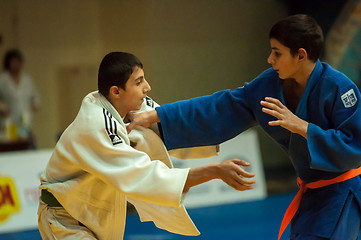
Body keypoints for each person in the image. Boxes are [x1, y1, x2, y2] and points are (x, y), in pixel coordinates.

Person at [126, 14, 361, 240]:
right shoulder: (268, 85)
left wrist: (304, 127)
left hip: (342, 194)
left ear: (300, 55)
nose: (270, 59)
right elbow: (218, 108)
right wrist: (156, 116)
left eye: (277, 53)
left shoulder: (340, 88)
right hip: (312, 194)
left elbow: (355, 147)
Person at [37, 52, 256, 240]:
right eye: (139, 81)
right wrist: (213, 171)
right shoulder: (95, 124)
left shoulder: (136, 107)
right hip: (65, 218)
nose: (148, 87)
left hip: (93, 213)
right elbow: (143, 175)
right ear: (116, 91)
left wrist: (223, 126)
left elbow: (174, 128)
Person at [0, 49, 40, 142]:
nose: (16, 65)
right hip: (9, 122)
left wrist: (32, 110)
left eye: (18, 62)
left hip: (25, 121)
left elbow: (36, 99)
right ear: (8, 63)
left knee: (27, 142)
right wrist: (2, 108)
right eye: (14, 62)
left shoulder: (27, 80)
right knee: (12, 145)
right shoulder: (3, 80)